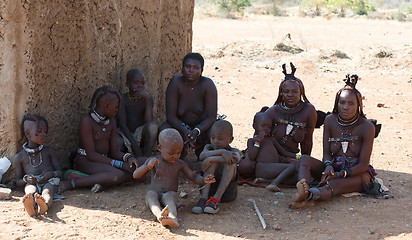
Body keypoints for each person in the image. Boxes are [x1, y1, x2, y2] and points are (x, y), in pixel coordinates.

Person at [290, 74, 376, 208]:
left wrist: (338, 174)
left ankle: (309, 196)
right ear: (337, 103)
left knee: (334, 184)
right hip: (333, 169)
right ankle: (304, 187)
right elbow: (326, 153)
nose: (345, 107)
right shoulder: (330, 120)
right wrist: (329, 166)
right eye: (342, 102)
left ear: (359, 105)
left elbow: (363, 165)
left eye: (351, 103)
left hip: (356, 174)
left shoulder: (367, 127)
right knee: (304, 159)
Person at [59, 86, 144, 193]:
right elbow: (91, 155)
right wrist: (120, 164)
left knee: (142, 164)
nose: (117, 111)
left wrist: (129, 158)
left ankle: (101, 182)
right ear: (106, 106)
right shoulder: (87, 121)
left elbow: (114, 152)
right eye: (116, 107)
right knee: (118, 175)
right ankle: (72, 183)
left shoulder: (111, 122)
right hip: (86, 161)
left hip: (105, 161)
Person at [133, 129, 215, 228]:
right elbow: (135, 175)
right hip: (156, 195)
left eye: (179, 153)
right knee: (150, 194)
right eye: (171, 153)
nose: (175, 156)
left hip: (170, 196)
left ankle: (172, 218)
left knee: (169, 196)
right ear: (160, 148)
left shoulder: (180, 164)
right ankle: (160, 215)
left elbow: (193, 176)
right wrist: (146, 167)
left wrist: (203, 180)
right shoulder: (153, 161)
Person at [159, 52, 217, 157]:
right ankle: (177, 154)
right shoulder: (176, 83)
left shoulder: (207, 85)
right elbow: (170, 116)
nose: (191, 70)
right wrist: (185, 131)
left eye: (196, 67)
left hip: (201, 129)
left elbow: (212, 117)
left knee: (217, 129)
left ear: (201, 70)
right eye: (188, 66)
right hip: (180, 127)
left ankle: (206, 155)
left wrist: (197, 131)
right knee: (164, 130)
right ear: (182, 69)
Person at [265, 62, 317, 157]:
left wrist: (304, 161)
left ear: (301, 93)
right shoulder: (272, 112)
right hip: (272, 158)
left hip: (294, 158)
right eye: (286, 91)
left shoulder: (308, 110)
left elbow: (307, 141)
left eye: (295, 91)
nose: (290, 95)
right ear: (281, 93)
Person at [238, 110, 298, 192]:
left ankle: (267, 181)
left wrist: (299, 157)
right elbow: (252, 156)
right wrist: (258, 140)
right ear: (254, 126)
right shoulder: (252, 141)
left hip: (273, 168)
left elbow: (284, 152)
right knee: (291, 167)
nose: (266, 129)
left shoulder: (271, 139)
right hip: (262, 168)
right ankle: (274, 184)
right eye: (263, 126)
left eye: (269, 127)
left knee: (296, 177)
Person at [14, 115, 62, 216]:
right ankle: (29, 205)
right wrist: (27, 180)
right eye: (39, 131)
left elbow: (59, 172)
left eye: (45, 132)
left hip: (49, 181)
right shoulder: (20, 156)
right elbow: (17, 182)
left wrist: (50, 174)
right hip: (32, 183)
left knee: (47, 192)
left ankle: (44, 206)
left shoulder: (48, 151)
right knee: (30, 190)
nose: (43, 134)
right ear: (27, 133)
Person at [192, 120, 241, 214]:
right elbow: (202, 155)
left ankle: (216, 199)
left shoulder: (234, 151)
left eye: (220, 139)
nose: (215, 142)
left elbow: (236, 159)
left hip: (227, 193)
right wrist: (222, 152)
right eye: (213, 137)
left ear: (230, 140)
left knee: (230, 163)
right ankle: (203, 199)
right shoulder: (208, 147)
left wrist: (210, 159)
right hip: (209, 190)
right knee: (213, 162)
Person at [117, 69, 158, 157]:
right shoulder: (123, 99)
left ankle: (145, 157)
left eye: (142, 83)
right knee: (116, 141)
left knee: (153, 127)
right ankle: (124, 159)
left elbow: (149, 122)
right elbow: (122, 126)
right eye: (136, 82)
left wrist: (147, 99)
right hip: (125, 134)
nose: (140, 85)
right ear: (127, 84)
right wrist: (135, 147)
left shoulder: (148, 99)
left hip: (140, 134)